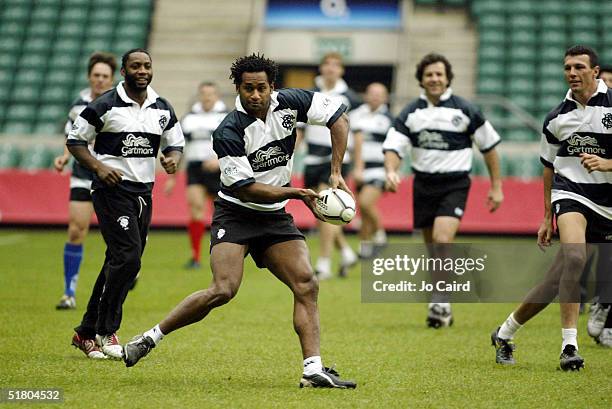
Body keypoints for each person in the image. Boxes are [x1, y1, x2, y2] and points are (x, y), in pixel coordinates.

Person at [122, 54, 357, 389]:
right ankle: (149, 338)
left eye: (261, 87)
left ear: (272, 86)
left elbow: (339, 119)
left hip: (274, 217)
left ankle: (313, 369)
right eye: (248, 88)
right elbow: (247, 190)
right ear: (238, 88)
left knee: (307, 283)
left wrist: (335, 170)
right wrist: (297, 193)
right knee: (223, 289)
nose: (256, 95)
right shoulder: (229, 130)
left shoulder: (292, 101)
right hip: (236, 213)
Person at [490, 45, 612, 370]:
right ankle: (569, 347)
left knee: (553, 281)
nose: (572, 73)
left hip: (607, 203)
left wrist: (607, 163)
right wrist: (547, 216)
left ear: (595, 72)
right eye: (567, 67)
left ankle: (504, 333)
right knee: (575, 257)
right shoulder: (556, 117)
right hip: (571, 194)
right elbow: (548, 166)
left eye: (579, 67)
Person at [66, 48, 184, 359]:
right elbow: (75, 141)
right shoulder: (105, 105)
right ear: (124, 71)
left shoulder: (162, 107)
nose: (142, 70)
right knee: (129, 258)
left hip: (143, 194)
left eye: (147, 65)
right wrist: (99, 167)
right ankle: (107, 331)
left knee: (117, 260)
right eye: (135, 66)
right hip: (111, 191)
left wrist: (172, 159)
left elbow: (176, 142)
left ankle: (85, 332)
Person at [383, 52, 503, 328]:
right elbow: (393, 146)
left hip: (455, 184)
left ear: (448, 78)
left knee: (442, 238)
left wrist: (497, 187)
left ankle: (441, 299)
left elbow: (490, 147)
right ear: (421, 80)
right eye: (429, 75)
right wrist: (391, 170)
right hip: (423, 185)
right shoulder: (411, 113)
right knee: (432, 248)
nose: (435, 79)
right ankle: (441, 305)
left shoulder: (465, 110)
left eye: (439, 74)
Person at [53, 52, 117, 310]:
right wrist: (64, 157)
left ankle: (128, 269)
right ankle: (69, 292)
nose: (100, 80)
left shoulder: (119, 103)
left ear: (111, 79)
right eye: (96, 75)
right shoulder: (78, 105)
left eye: (105, 76)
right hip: (82, 172)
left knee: (116, 234)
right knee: (77, 229)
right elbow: (74, 138)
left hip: (111, 174)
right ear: (89, 77)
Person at [301, 52, 360, 279]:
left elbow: (355, 130)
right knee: (322, 210)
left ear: (341, 70)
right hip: (312, 157)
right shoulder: (310, 92)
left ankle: (323, 263)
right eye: (327, 64)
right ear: (321, 68)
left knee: (328, 205)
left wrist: (356, 160)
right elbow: (300, 127)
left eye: (336, 65)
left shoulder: (350, 98)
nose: (331, 69)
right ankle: (346, 252)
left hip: (336, 158)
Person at [164, 82, 227, 269]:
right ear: (200, 96)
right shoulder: (189, 118)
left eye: (211, 94)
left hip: (218, 169)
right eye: (204, 94)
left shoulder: (225, 116)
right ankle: (196, 256)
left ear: (217, 96)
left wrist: (219, 160)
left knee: (220, 213)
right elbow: (178, 148)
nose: (207, 97)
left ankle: (220, 253)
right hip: (195, 168)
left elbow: (236, 145)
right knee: (195, 209)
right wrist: (172, 177)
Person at [349, 82, 392, 258]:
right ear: (365, 95)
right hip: (358, 168)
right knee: (363, 211)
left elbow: (396, 148)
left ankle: (381, 237)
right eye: (371, 93)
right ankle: (365, 250)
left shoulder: (390, 119)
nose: (375, 96)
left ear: (385, 97)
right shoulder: (355, 115)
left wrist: (392, 171)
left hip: (379, 169)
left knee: (366, 203)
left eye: (379, 94)